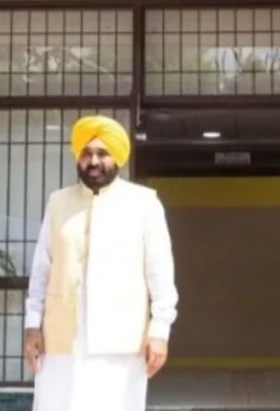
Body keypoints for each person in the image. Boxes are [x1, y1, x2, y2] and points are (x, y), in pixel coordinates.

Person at [23, 114, 178, 411]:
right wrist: (32, 325)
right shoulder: (58, 202)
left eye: (102, 153)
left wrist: (160, 331)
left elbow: (160, 274)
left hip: (121, 342)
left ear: (117, 157)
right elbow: (41, 270)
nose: (93, 161)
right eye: (86, 153)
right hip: (62, 340)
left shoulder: (144, 204)